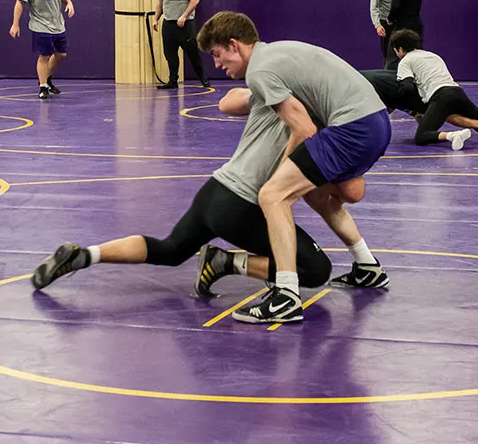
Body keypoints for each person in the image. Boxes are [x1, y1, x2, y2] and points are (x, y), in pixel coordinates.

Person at [30, 85, 356, 300]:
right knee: (315, 270)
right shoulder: (318, 118)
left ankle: (86, 254)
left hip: (213, 191)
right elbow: (352, 191)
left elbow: (227, 101)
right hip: (240, 206)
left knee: (170, 250)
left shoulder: (271, 97)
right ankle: (225, 263)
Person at [197, 10, 392, 325]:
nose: (218, 65)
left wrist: (276, 179)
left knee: (272, 195)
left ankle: (285, 296)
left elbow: (303, 130)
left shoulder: (259, 70)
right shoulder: (278, 54)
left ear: (234, 45)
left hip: (353, 127)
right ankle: (367, 266)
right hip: (376, 121)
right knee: (315, 194)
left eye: (218, 55)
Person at [390, 31, 478, 151]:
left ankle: (452, 135)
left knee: (421, 136)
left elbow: (407, 87)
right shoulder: (433, 56)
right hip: (457, 92)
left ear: (400, 49)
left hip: (440, 97)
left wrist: (397, 98)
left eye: (396, 51)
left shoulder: (405, 61)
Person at [10, 0, 74, 97]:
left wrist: (69, 3)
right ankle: (43, 86)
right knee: (44, 56)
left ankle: (46, 78)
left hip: (58, 24)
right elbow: (19, 3)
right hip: (40, 24)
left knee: (61, 54)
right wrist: (15, 24)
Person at [155, 0, 212, 91]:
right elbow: (160, 3)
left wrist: (184, 16)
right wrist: (155, 19)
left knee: (192, 53)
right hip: (168, 24)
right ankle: (172, 80)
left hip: (184, 24)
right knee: (170, 54)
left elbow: (195, 0)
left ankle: (202, 77)